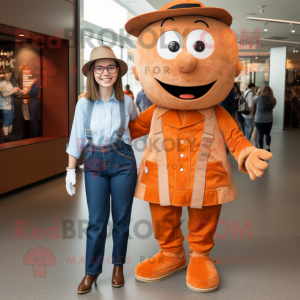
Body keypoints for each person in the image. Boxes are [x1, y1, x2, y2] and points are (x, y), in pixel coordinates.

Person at [125, 0, 272, 293]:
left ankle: (200, 256)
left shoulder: (216, 112)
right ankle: (171, 253)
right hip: (162, 178)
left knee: (204, 217)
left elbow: (235, 137)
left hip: (206, 179)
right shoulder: (152, 112)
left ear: (235, 68)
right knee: (162, 217)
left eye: (199, 48)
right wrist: (99, 119)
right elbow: (127, 131)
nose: (185, 63)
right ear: (139, 70)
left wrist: (247, 152)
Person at [65, 45, 138, 294]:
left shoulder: (127, 102)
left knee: (121, 219)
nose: (105, 72)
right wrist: (70, 170)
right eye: (99, 68)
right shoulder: (84, 104)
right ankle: (91, 272)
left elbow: (136, 128)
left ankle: (118, 266)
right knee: (96, 221)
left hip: (123, 163)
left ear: (117, 71)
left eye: (110, 67)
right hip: (94, 163)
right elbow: (76, 137)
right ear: (92, 73)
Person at [253, 86, 277, 151]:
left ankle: (261, 149)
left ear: (262, 91)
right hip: (268, 119)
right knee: (267, 134)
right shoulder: (272, 99)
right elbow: (273, 107)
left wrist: (258, 93)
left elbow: (253, 99)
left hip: (259, 119)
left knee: (260, 135)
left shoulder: (259, 98)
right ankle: (268, 148)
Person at [0, 69, 21, 137]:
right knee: (6, 121)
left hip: (10, 104)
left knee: (11, 120)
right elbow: (4, 94)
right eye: (7, 74)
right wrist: (13, 91)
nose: (9, 75)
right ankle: (6, 138)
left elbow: (12, 91)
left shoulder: (9, 82)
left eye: (9, 74)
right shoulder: (1, 83)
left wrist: (17, 91)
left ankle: (9, 135)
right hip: (4, 105)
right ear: (4, 75)